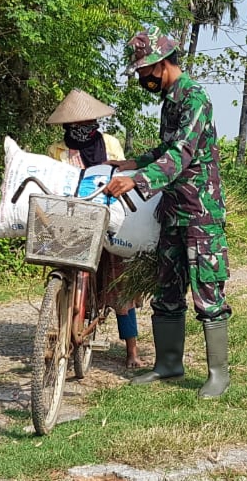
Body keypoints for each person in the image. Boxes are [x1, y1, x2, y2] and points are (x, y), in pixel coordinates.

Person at [102, 28, 232, 399]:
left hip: (200, 213)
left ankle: (218, 375)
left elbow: (181, 155)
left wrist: (137, 181)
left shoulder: (195, 98)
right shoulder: (170, 102)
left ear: (160, 64)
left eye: (145, 72)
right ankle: (168, 365)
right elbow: (165, 147)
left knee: (207, 289)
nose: (143, 79)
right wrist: (133, 162)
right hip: (172, 211)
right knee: (167, 288)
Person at [46, 89, 144, 369]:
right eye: (75, 125)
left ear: (95, 124)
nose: (81, 129)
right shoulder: (57, 150)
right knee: (66, 277)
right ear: (67, 126)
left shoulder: (110, 144)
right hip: (72, 223)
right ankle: (64, 331)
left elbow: (120, 177)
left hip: (105, 219)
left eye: (87, 124)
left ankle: (131, 350)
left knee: (119, 285)